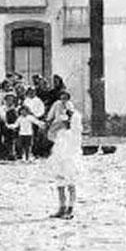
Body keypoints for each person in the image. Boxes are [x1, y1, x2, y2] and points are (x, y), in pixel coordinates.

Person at [45, 91, 82, 219]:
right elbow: (50, 136)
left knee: (70, 183)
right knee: (60, 183)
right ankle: (62, 207)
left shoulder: (74, 131)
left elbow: (76, 144)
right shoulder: (60, 130)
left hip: (70, 158)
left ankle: (70, 208)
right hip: (59, 157)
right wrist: (57, 126)